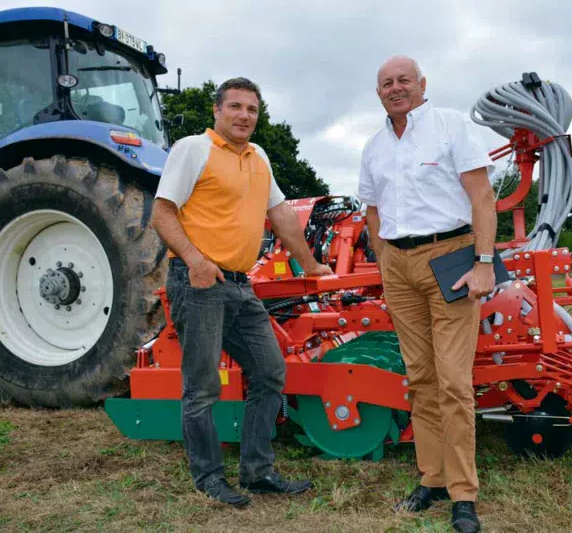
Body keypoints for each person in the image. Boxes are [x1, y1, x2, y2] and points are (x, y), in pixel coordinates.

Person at [152, 77, 333, 508]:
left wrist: (310, 264)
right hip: (198, 281)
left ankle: (257, 471)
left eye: (251, 109)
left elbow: (281, 214)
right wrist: (195, 261)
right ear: (217, 110)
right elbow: (161, 213)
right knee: (202, 387)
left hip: (239, 284)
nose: (244, 115)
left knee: (269, 373)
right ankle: (209, 477)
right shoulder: (193, 149)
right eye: (235, 106)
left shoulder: (259, 157)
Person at [358, 57, 497, 533]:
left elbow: (482, 197)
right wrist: (383, 259)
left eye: (404, 80)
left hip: (450, 259)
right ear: (379, 92)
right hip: (398, 265)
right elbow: (372, 209)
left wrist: (483, 263)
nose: (395, 88)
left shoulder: (450, 126)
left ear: (421, 84)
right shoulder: (375, 146)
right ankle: (432, 478)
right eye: (387, 83)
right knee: (420, 377)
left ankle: (463, 493)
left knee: (453, 381)